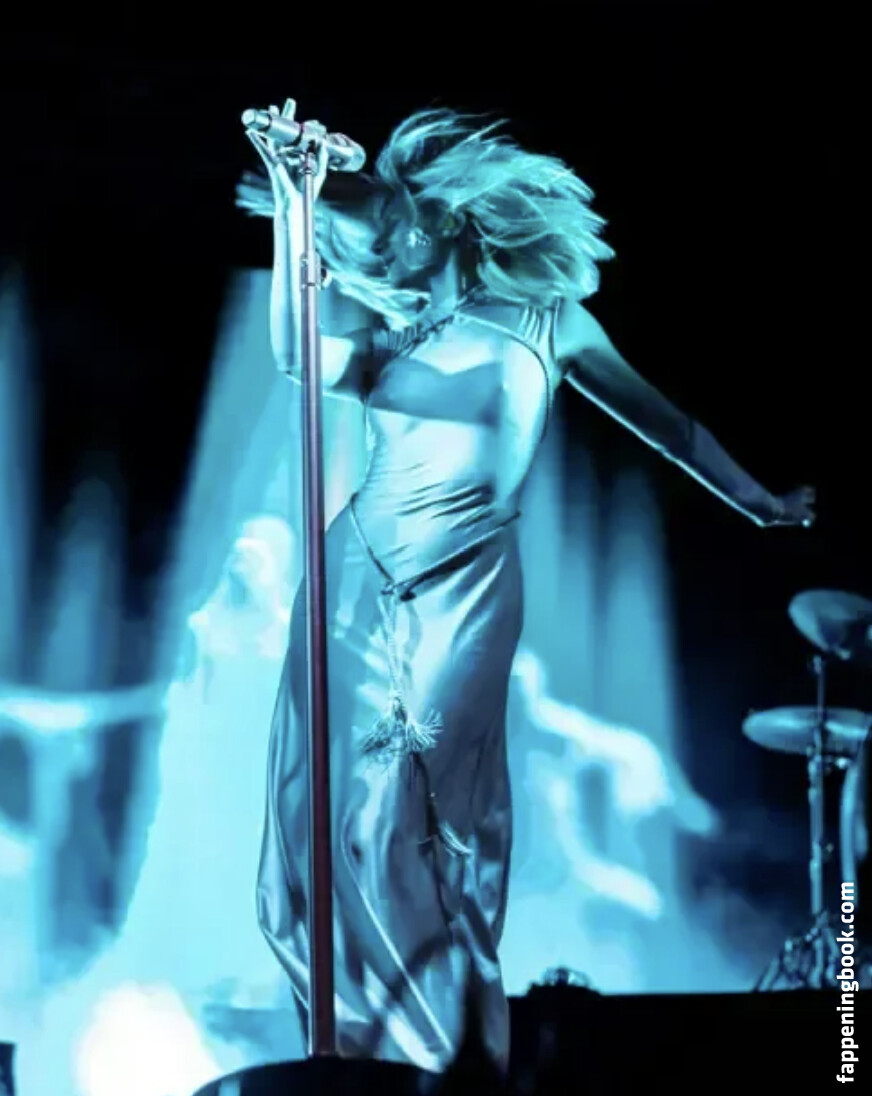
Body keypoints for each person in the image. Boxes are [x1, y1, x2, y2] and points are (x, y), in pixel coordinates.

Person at [239, 100, 815, 1072]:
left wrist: (757, 500)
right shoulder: (392, 339)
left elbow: (669, 427)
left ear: (449, 221)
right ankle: (362, 1053)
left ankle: (447, 1053)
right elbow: (298, 358)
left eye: (399, 222)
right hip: (354, 580)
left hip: (464, 582)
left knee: (422, 808)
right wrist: (294, 205)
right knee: (333, 813)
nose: (384, 244)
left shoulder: (550, 321)